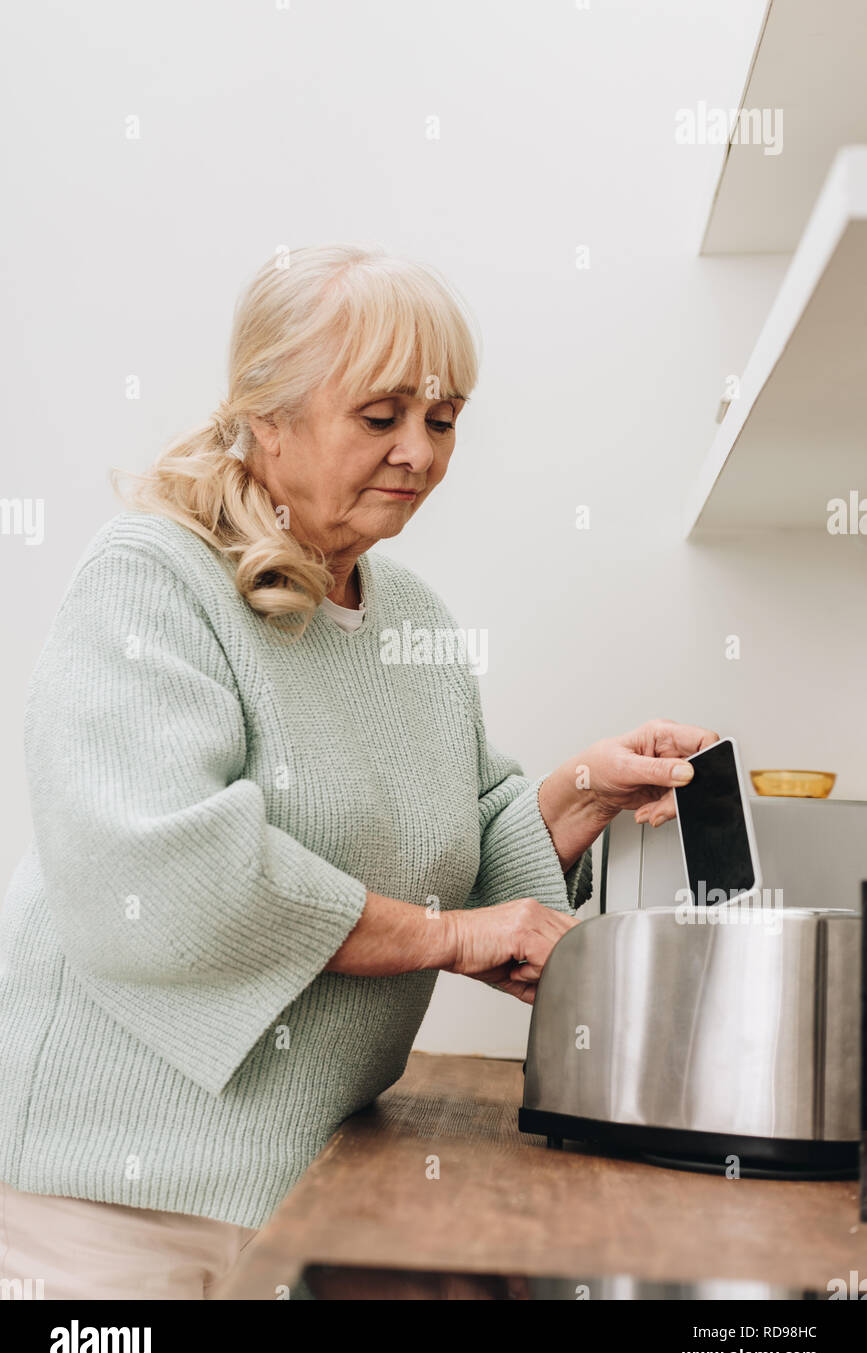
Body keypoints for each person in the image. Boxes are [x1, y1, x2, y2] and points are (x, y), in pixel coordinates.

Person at [0, 244, 716, 1299]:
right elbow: (172, 876)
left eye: (444, 418)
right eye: (380, 418)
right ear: (267, 414)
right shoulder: (150, 580)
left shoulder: (410, 616)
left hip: (299, 1176)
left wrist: (581, 792)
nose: (419, 454)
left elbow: (466, 851)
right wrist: (452, 937)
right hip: (106, 1203)